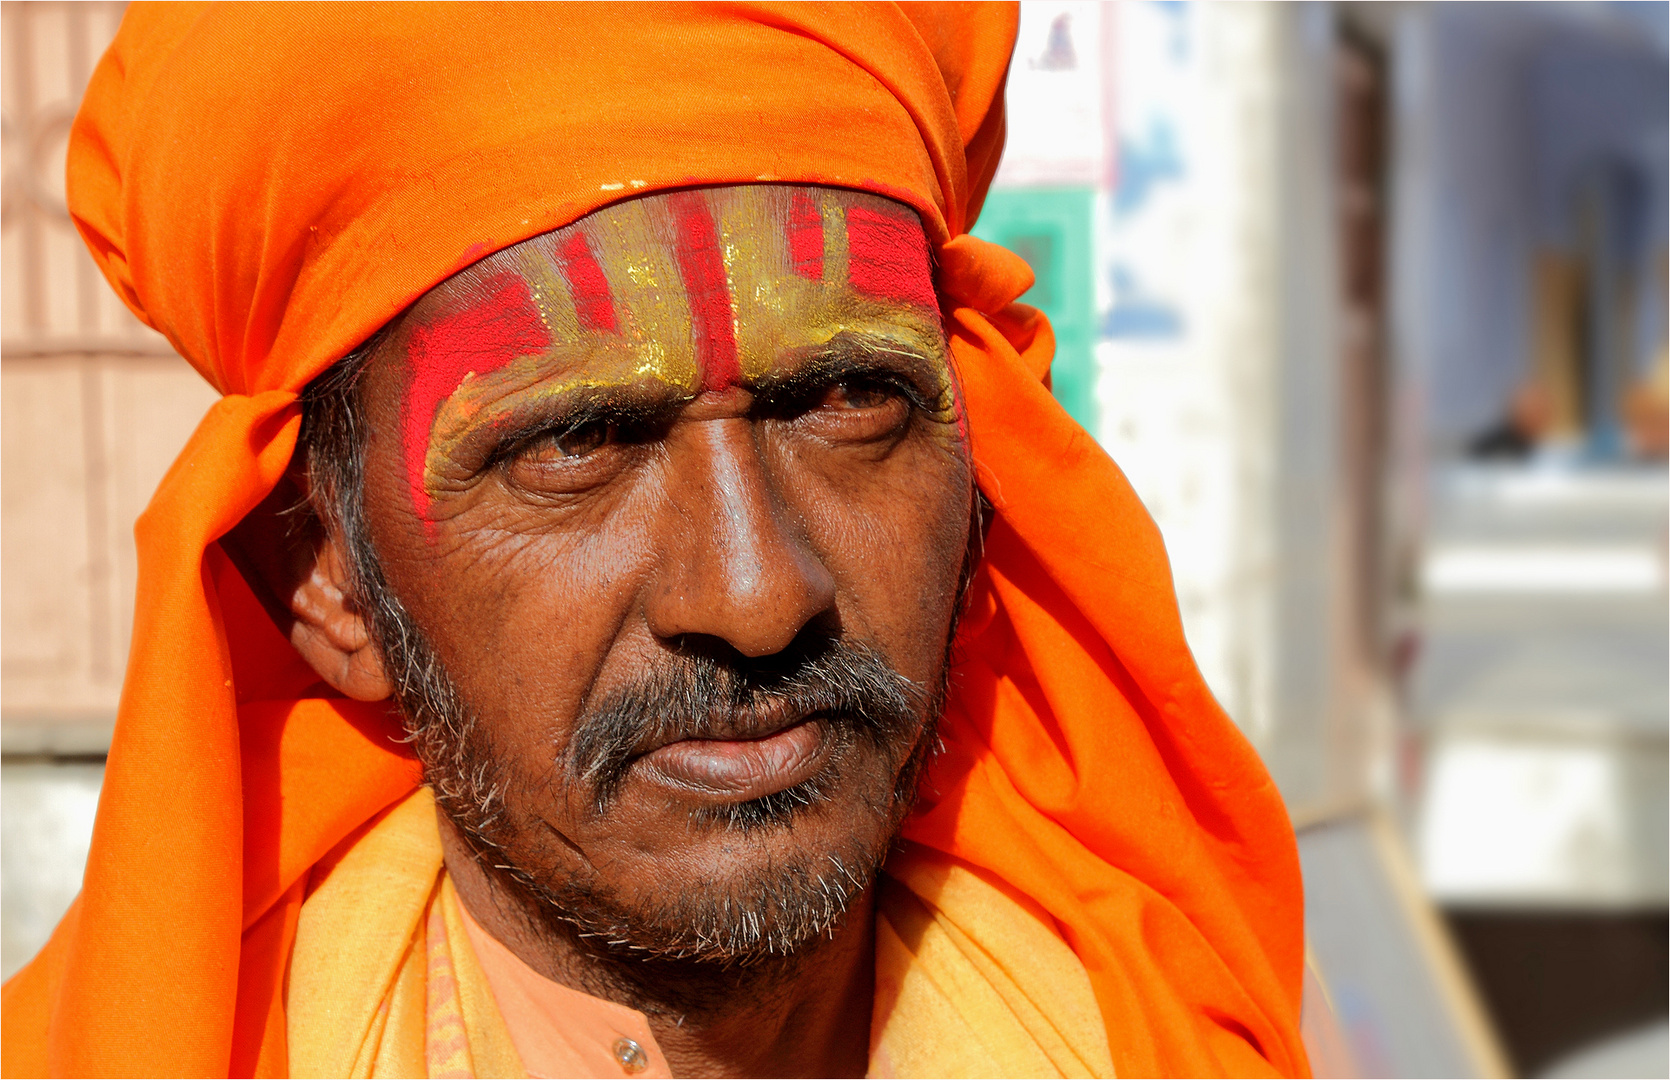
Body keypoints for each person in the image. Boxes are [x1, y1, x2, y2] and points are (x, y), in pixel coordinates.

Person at [1, 5, 1310, 1077]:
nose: (753, 595)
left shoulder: (1163, 1039)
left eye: (846, 399)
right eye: (574, 444)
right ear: (327, 578)